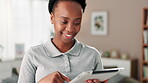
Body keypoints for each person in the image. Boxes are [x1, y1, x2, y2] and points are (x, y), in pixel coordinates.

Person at [18, 0, 108, 83]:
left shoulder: (92, 54)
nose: (70, 29)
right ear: (52, 18)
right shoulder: (33, 55)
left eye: (77, 23)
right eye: (64, 21)